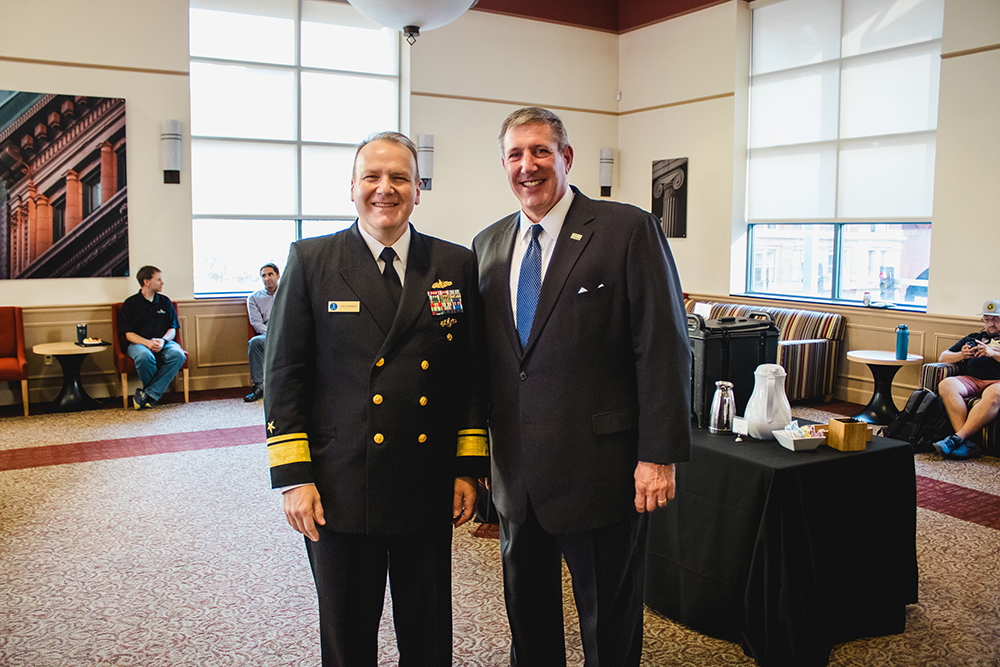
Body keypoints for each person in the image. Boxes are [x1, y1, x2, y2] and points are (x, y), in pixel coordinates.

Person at [472, 107, 692, 667]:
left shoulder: (626, 228)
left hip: (602, 473)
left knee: (608, 624)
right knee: (529, 617)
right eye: (516, 154)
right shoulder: (488, 245)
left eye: (541, 151)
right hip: (517, 477)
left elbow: (663, 345)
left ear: (566, 158)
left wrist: (658, 455)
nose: (528, 165)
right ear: (503, 165)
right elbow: (491, 363)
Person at [263, 131, 488, 667]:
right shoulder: (312, 260)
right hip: (339, 486)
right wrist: (295, 478)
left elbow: (470, 377)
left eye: (400, 178)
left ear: (417, 189)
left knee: (428, 631)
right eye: (373, 177)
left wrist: (468, 466)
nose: (385, 189)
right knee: (347, 633)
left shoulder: (454, 264)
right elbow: (285, 376)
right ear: (352, 187)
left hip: (426, 479)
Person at [932, 298, 1000, 459]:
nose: (991, 324)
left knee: (994, 395)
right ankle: (965, 442)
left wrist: (993, 354)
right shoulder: (974, 337)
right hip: (972, 379)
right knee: (947, 385)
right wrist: (962, 355)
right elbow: (943, 357)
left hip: (997, 382)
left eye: (996, 320)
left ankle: (958, 439)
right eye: (987, 319)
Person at [120, 265, 187, 410]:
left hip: (163, 342)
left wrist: (162, 341)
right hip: (139, 344)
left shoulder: (165, 301)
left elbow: (172, 329)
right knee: (144, 356)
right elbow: (128, 334)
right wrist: (147, 343)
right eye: (159, 279)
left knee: (178, 355)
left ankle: (148, 394)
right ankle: (152, 395)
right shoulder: (130, 304)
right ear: (147, 282)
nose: (162, 283)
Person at [244, 262, 280, 402]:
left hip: (288, 334)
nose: (267, 278)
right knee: (255, 342)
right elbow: (256, 324)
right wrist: (273, 335)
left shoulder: (289, 294)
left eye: (270, 274)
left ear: (278, 275)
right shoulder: (254, 298)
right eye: (263, 275)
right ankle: (259, 387)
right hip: (267, 335)